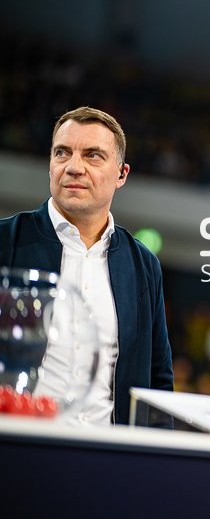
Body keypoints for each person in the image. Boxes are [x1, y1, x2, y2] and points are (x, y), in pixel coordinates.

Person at [0, 106, 173, 426]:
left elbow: (158, 378)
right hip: (17, 445)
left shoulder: (144, 265)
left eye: (93, 155)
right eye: (62, 153)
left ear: (121, 174)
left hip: (106, 457)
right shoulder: (5, 240)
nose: (74, 167)